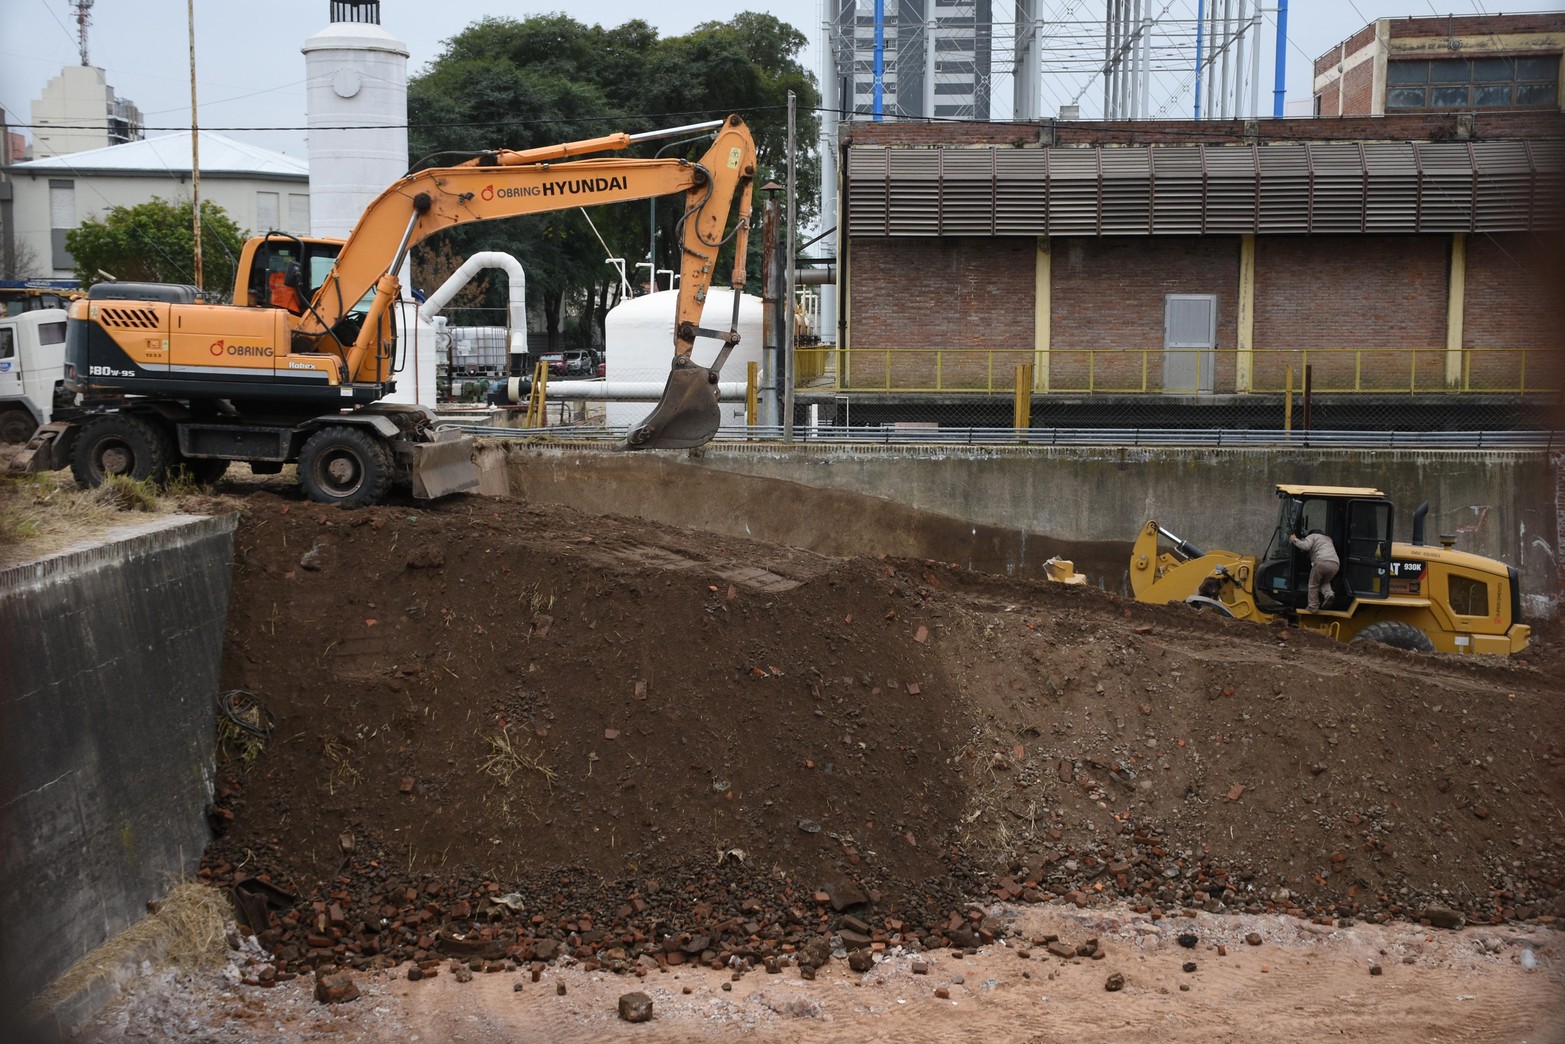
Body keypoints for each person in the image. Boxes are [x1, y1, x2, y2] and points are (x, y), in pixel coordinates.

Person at [1290, 528, 1340, 611]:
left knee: (1313, 584)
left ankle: (1313, 606)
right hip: (1335, 564)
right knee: (1324, 581)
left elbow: (1305, 546)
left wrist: (1295, 539)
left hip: (1322, 562)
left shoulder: (1312, 536)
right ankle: (1329, 594)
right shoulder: (1328, 539)